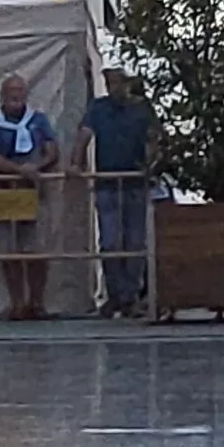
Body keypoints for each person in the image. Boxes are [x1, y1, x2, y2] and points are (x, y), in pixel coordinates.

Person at [76, 67, 160, 318]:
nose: (115, 87)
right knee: (110, 241)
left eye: (119, 82)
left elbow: (155, 138)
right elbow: (84, 134)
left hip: (135, 182)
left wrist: (152, 163)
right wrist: (75, 163)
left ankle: (131, 296)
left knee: (136, 242)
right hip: (107, 182)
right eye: (110, 82)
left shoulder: (141, 108)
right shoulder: (99, 108)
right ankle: (115, 295)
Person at [0, 74, 63, 320]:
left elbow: (52, 148)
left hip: (32, 190)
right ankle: (16, 303)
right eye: (11, 91)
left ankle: (37, 302)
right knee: (9, 249)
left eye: (20, 91)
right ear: (3, 95)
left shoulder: (37, 120)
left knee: (35, 248)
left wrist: (38, 165)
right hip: (4, 189)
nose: (16, 96)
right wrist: (18, 170)